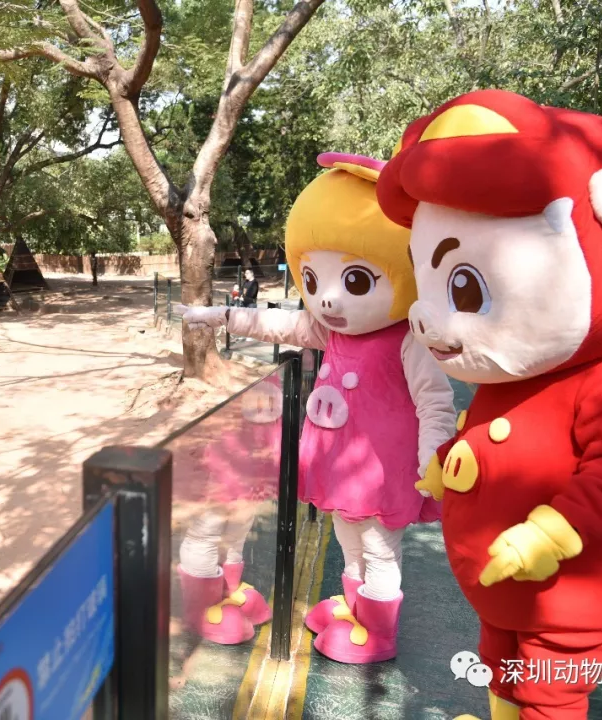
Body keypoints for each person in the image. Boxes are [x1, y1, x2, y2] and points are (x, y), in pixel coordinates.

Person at [377, 89, 602, 720]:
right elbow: (492, 436)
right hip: (505, 587)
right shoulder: (506, 377)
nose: (426, 317)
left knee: (549, 687)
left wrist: (553, 531)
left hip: (570, 595)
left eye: (463, 286)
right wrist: (448, 462)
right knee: (502, 660)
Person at [178, 152, 456, 664]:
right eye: (313, 281)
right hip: (341, 470)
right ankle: (356, 609)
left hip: (384, 473)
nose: (327, 300)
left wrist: (431, 458)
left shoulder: (405, 339)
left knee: (379, 549)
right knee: (349, 539)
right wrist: (217, 315)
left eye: (355, 281)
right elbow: (276, 325)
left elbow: (435, 401)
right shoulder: (331, 331)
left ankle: (379, 634)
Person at [175, 376, 283, 645]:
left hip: (254, 445)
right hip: (219, 448)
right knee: (207, 528)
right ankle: (201, 607)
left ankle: (227, 590)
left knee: (240, 522)